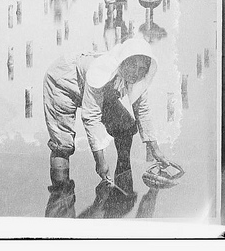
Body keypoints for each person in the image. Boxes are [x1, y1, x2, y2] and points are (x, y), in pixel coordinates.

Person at [42, 37, 171, 189]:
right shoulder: (100, 70)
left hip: (99, 88)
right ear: (123, 61)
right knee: (63, 146)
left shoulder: (134, 77)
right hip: (63, 81)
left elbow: (142, 110)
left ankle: (123, 174)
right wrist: (100, 161)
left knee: (126, 127)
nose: (136, 73)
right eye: (132, 65)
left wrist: (155, 149)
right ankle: (60, 194)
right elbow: (91, 117)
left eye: (142, 69)